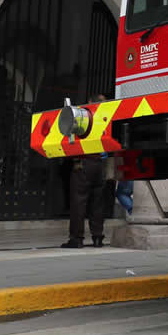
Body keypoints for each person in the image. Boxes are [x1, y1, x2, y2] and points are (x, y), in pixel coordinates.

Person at [62, 94, 109, 248]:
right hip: (100, 164)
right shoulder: (106, 117)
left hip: (83, 164)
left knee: (79, 201)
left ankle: (77, 238)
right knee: (98, 203)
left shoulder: (83, 115)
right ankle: (97, 238)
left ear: (89, 102)